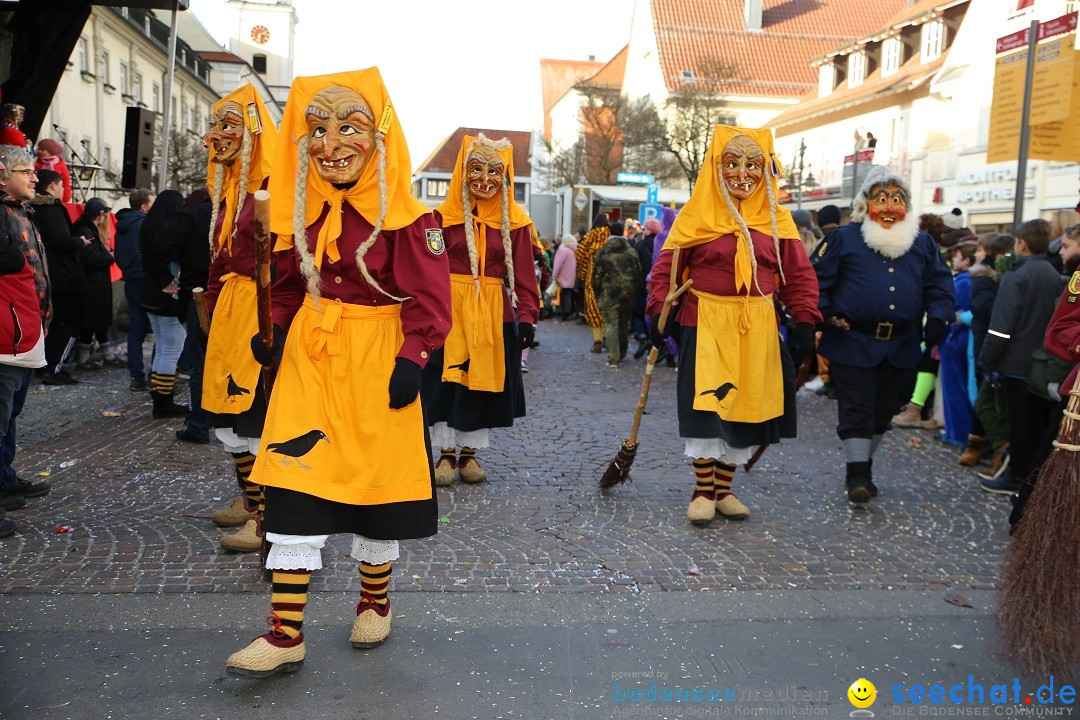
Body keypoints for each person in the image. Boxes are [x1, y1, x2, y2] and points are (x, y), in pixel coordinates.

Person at [225, 68, 451, 678]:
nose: (330, 144)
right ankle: (284, 633)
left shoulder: (410, 219)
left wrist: (415, 359)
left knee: (375, 485)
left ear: (377, 135)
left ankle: (375, 601)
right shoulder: (299, 212)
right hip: (311, 358)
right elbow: (290, 284)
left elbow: (431, 303)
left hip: (381, 359)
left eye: (347, 128)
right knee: (295, 480)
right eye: (316, 130)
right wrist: (270, 326)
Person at [648, 126, 820, 526]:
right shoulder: (697, 215)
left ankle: (723, 489)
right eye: (733, 164)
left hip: (758, 323)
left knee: (747, 407)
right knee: (708, 405)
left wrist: (805, 320)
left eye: (753, 165)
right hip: (704, 321)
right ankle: (702, 490)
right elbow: (665, 271)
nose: (743, 174)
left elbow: (800, 274)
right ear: (716, 167)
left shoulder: (777, 219)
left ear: (766, 169)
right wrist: (660, 311)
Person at [813, 165, 955, 502]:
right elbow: (816, 280)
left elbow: (940, 284)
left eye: (897, 199)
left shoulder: (922, 243)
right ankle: (857, 475)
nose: (889, 207)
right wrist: (824, 311)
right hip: (851, 341)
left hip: (901, 345)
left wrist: (937, 318)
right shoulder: (843, 238)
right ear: (866, 203)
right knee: (857, 409)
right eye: (881, 199)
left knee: (881, 412)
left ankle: (865, 462)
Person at [421, 133, 538, 487]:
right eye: (476, 169)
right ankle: (444, 455)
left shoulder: (515, 222)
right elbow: (426, 266)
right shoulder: (439, 218)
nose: (485, 179)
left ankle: (469, 456)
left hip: (492, 312)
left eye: (493, 172)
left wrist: (529, 316)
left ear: (505, 176)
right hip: (449, 310)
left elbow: (525, 274)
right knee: (445, 383)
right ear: (463, 171)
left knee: (478, 385)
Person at [197, 84, 278, 552]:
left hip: (258, 311)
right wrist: (210, 300)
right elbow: (219, 257)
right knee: (229, 410)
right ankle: (250, 501)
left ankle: (265, 516)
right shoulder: (229, 190)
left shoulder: (271, 189)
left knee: (255, 415)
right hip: (231, 311)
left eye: (228, 125)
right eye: (214, 125)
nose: (214, 136)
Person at [977, 219, 1064, 495]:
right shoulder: (1053, 273)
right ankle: (1028, 477)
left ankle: (1016, 475)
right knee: (1036, 425)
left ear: (1022, 244)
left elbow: (1002, 327)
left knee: (1018, 423)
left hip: (1015, 362)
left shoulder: (1018, 275)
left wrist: (987, 360)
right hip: (1041, 362)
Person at [0, 146, 52, 516]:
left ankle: (5, 478)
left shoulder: (20, 212)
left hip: (25, 330)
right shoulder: (2, 214)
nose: (35, 177)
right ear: (3, 176)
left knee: (11, 413)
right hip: (8, 331)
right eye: (26, 171)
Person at [31, 168, 86, 385]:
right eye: (62, 185)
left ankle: (44, 366)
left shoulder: (31, 208)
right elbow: (61, 240)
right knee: (70, 321)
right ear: (53, 185)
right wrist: (80, 242)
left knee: (51, 322)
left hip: (47, 274)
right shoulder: (50, 208)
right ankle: (55, 367)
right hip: (62, 276)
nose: (64, 189)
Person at [138, 189, 189, 418]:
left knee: (162, 348)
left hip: (148, 292)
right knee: (170, 350)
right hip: (167, 293)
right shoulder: (170, 229)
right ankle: (163, 402)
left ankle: (160, 397)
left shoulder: (147, 225)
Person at [72, 198, 121, 370]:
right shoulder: (87, 231)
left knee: (94, 322)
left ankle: (92, 356)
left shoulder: (84, 228)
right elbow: (92, 258)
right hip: (92, 285)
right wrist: (110, 256)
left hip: (94, 284)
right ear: (99, 216)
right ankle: (87, 358)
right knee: (93, 321)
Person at [114, 188, 155, 391]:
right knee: (160, 328)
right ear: (144, 206)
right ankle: (156, 375)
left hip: (130, 280)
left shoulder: (121, 226)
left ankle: (136, 376)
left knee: (136, 330)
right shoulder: (143, 223)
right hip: (145, 280)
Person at [939, 240, 978, 447]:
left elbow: (956, 309)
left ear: (967, 260)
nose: (953, 259)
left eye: (957, 256)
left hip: (956, 337)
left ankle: (957, 433)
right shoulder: (968, 279)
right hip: (959, 337)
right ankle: (955, 431)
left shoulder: (964, 281)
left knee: (955, 387)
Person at [591, 220, 641, 366]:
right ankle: (623, 352)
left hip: (609, 294)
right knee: (624, 325)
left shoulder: (603, 252)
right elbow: (638, 273)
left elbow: (596, 276)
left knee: (611, 324)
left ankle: (614, 356)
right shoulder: (631, 251)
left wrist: (598, 291)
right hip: (627, 293)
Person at [576, 213, 610, 352]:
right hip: (609, 278)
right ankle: (608, 338)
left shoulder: (589, 236)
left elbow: (579, 255)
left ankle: (597, 341)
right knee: (607, 309)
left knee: (593, 309)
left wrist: (583, 273)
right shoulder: (611, 236)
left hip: (592, 277)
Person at [550, 231, 577, 321]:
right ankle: (567, 313)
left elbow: (557, 265)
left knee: (560, 296)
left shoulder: (562, 251)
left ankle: (561, 313)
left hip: (561, 277)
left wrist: (554, 276)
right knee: (567, 295)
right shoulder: (574, 251)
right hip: (571, 277)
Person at [34, 139, 72, 203]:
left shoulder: (60, 165)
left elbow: (66, 183)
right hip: (38, 197)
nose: (39, 151)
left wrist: (65, 198)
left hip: (56, 197)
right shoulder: (36, 163)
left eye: (43, 149)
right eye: (39, 149)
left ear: (50, 150)